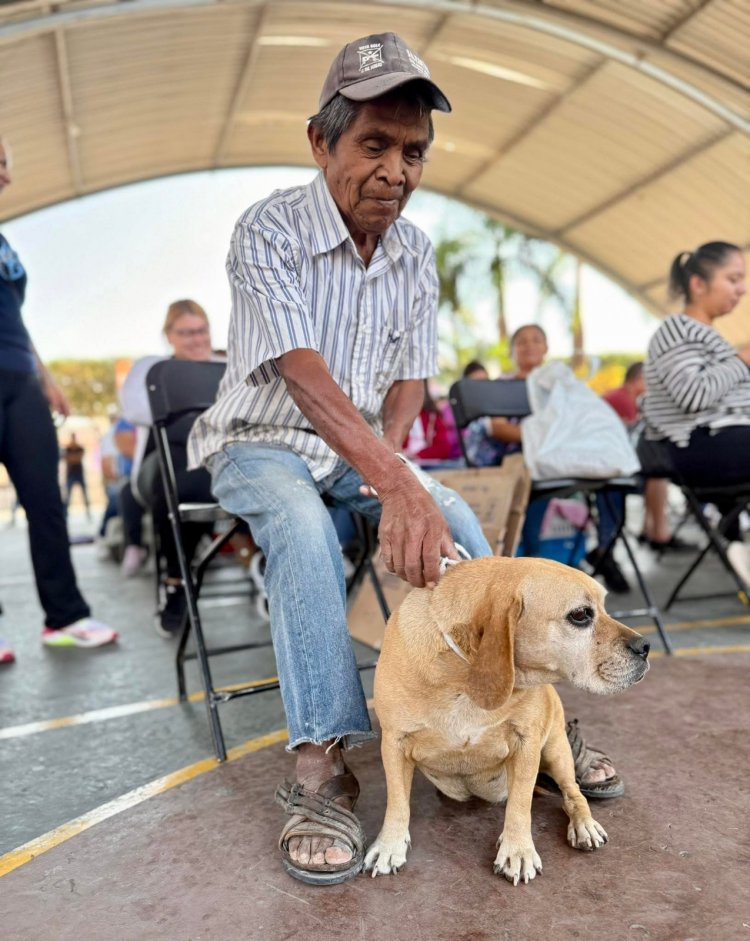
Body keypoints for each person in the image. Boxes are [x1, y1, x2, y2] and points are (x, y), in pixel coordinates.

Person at [187, 34, 622, 885]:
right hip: (258, 441)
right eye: (374, 145)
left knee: (456, 515)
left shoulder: (414, 252)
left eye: (413, 151)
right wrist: (391, 478)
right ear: (322, 142)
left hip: (357, 448)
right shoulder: (269, 229)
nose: (395, 170)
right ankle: (324, 760)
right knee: (306, 529)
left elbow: (409, 387)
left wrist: (404, 482)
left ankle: (533, 718)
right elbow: (302, 376)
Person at [0, 135, 117, 663]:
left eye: (7, 163)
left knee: (46, 504)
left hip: (20, 382)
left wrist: (45, 376)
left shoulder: (6, 246)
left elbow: (14, 319)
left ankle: (64, 617)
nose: (7, 176)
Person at [638, 241, 750, 582]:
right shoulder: (677, 329)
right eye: (733, 279)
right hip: (701, 445)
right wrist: (741, 361)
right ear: (698, 284)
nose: (742, 289)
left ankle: (740, 552)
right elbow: (693, 394)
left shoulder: (707, 337)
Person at [119, 299, 218, 635]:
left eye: (201, 330)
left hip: (214, 467)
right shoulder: (154, 369)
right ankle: (177, 577)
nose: (196, 339)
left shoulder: (229, 365)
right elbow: (134, 410)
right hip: (162, 467)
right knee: (182, 465)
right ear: (169, 335)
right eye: (185, 332)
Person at [602, 362, 692, 552]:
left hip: (617, 459)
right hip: (611, 464)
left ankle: (650, 528)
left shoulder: (623, 396)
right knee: (657, 467)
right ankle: (657, 532)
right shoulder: (624, 399)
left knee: (656, 466)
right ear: (638, 380)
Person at [403, 380, 462, 466]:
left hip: (427, 464)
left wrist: (418, 455)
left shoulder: (432, 416)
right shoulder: (395, 416)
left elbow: (443, 448)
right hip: (404, 463)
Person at [62, 431, 91, 518]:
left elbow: (77, 458)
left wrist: (73, 458)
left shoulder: (78, 448)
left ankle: (88, 513)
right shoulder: (68, 448)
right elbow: (68, 458)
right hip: (71, 474)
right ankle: (65, 514)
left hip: (78, 473)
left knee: (85, 495)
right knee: (68, 496)